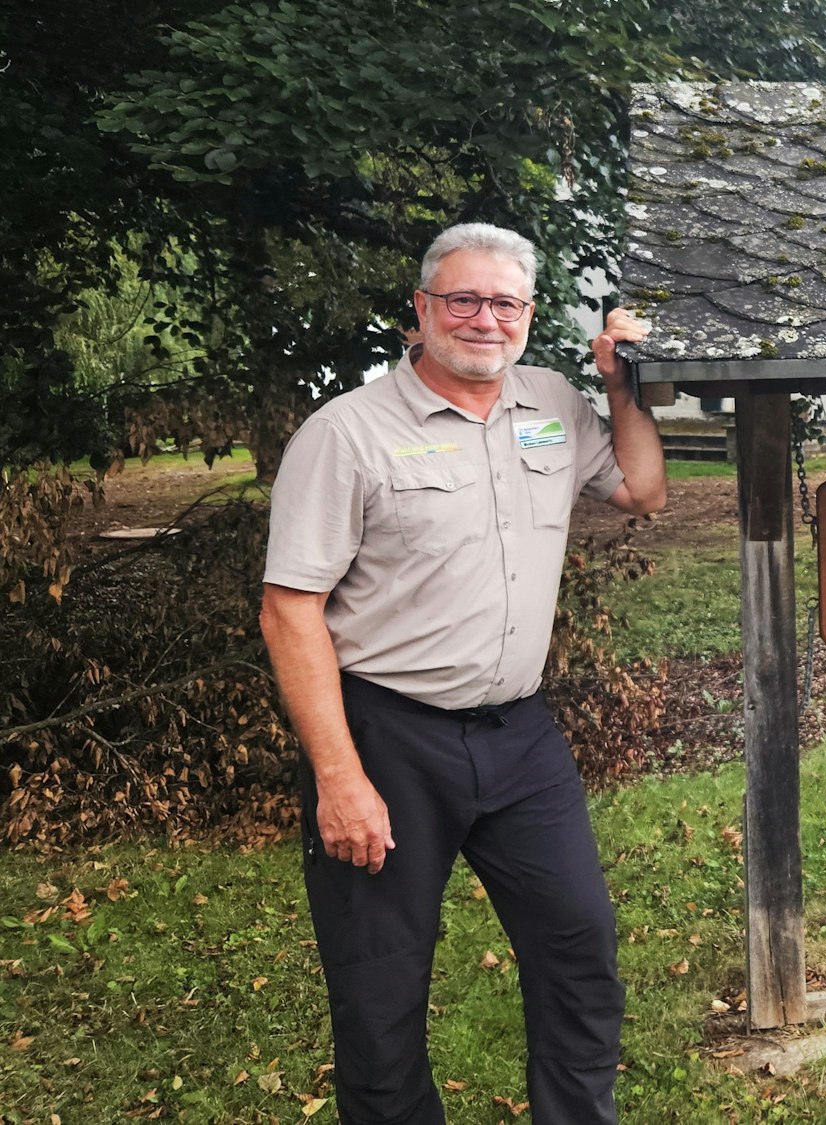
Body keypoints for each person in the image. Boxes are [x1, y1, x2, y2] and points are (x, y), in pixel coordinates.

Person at [260, 222, 665, 1124]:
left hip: (521, 736)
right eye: (464, 299)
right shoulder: (347, 434)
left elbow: (640, 490)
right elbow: (290, 609)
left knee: (578, 946)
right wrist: (339, 776)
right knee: (380, 987)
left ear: (527, 313)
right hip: (387, 737)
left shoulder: (553, 403)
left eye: (506, 302)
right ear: (421, 311)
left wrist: (620, 387)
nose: (485, 319)